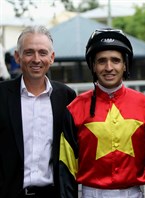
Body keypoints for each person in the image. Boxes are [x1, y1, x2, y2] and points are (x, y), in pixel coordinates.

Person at [59, 28, 145, 198]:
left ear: (125, 65)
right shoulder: (74, 109)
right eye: (102, 61)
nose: (109, 67)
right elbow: (66, 169)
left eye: (115, 60)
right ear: (93, 66)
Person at [0, 25, 76, 198]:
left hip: (53, 194)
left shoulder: (66, 96)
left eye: (42, 52)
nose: (36, 59)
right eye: (29, 52)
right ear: (17, 57)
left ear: (52, 57)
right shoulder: (2, 95)